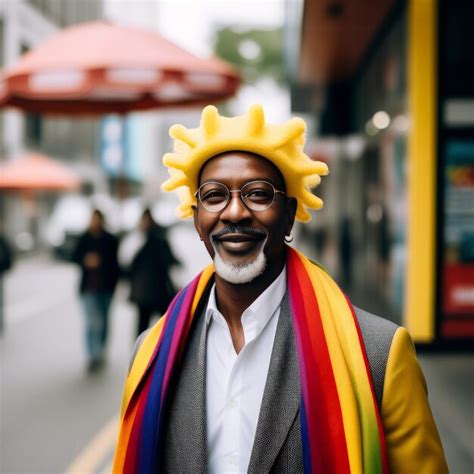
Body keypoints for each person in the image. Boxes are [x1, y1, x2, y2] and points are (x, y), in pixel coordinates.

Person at [113, 105, 447, 473]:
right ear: (196, 219)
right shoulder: (151, 353)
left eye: (258, 194)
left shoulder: (381, 354)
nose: (235, 212)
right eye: (213, 196)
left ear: (289, 214)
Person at [120, 208, 179, 337]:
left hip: (155, 291)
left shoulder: (155, 240)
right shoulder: (138, 240)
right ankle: (144, 353)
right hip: (149, 292)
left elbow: (170, 262)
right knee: (150, 326)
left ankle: (148, 353)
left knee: (156, 328)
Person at [73, 209, 119, 372]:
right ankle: (93, 354)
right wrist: (85, 260)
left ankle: (101, 349)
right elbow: (74, 256)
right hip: (88, 287)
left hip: (106, 286)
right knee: (92, 321)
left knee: (104, 320)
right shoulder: (84, 238)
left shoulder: (110, 239)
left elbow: (116, 264)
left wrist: (102, 262)